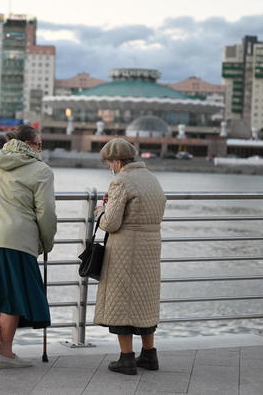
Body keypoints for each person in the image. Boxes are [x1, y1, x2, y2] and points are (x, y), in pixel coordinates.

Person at [0, 124, 57, 369]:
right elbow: (46, 212)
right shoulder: (41, 170)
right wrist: (47, 241)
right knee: (13, 296)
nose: (41, 149)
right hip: (18, 240)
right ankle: (5, 353)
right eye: (39, 144)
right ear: (30, 145)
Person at [94, 138, 166, 375]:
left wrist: (100, 210)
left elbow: (111, 223)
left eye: (109, 163)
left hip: (126, 248)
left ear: (116, 161)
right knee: (145, 299)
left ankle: (126, 358)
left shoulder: (121, 181)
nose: (109, 168)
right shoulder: (152, 179)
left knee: (121, 300)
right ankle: (149, 355)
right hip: (150, 245)